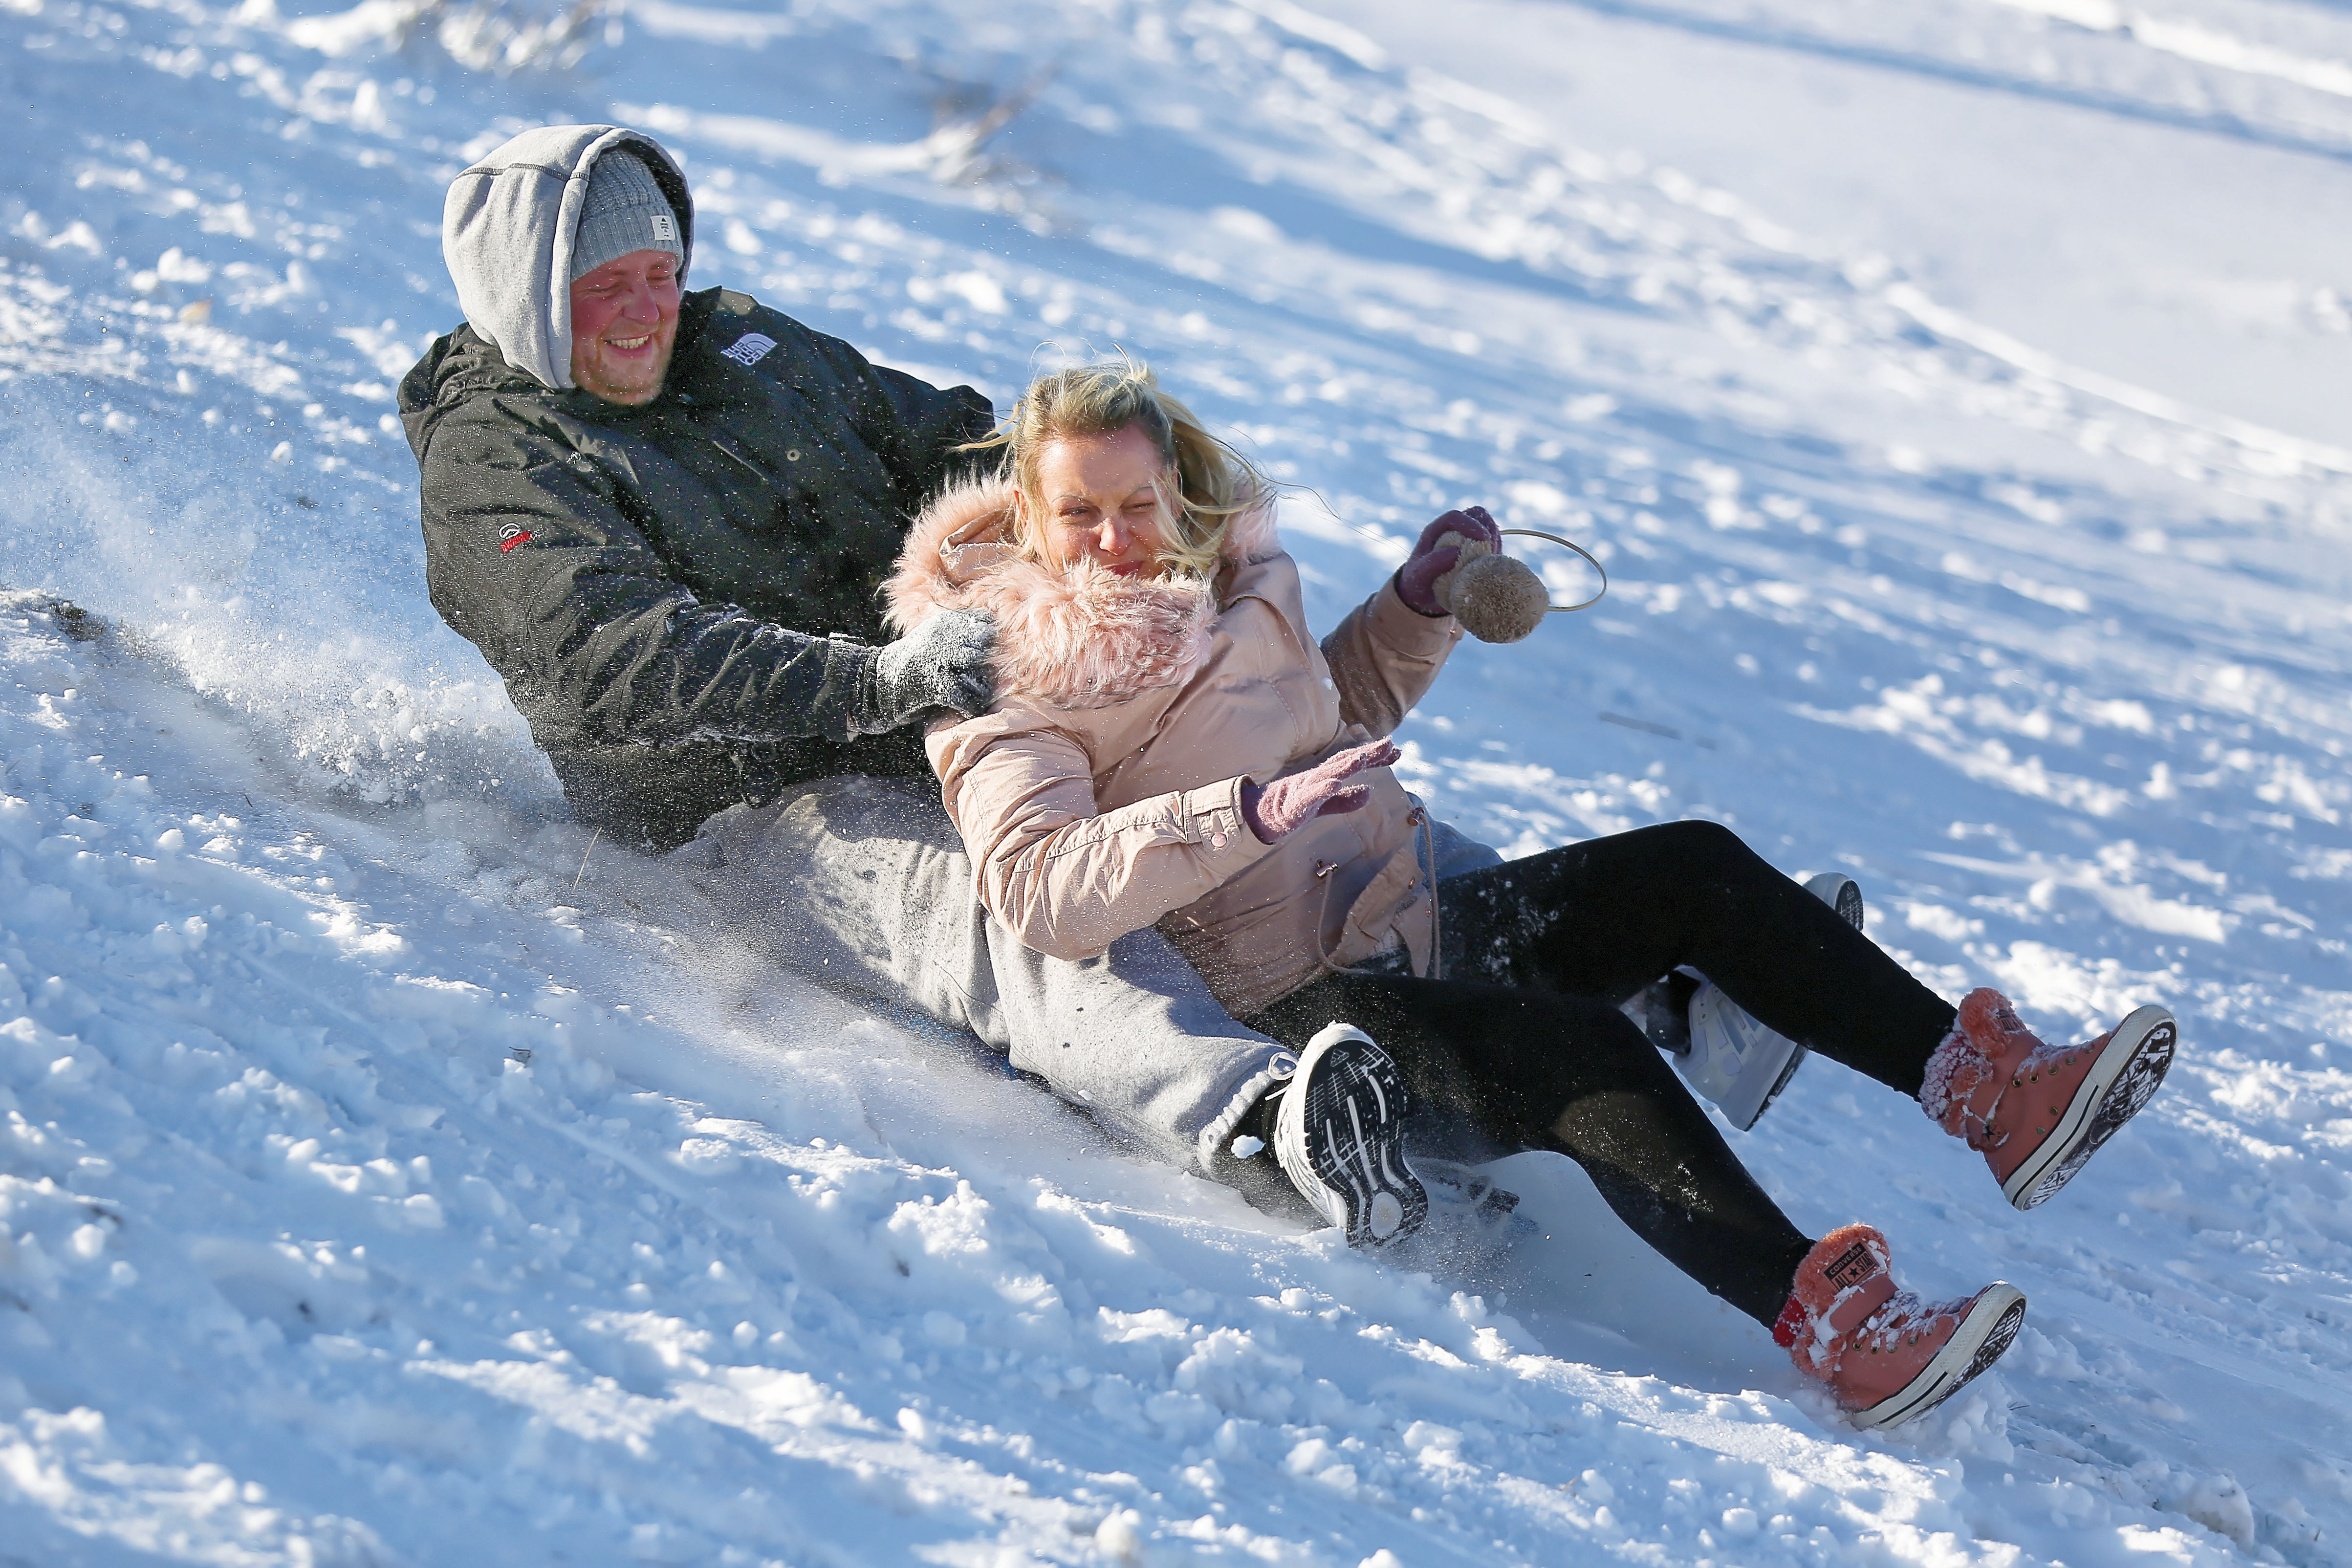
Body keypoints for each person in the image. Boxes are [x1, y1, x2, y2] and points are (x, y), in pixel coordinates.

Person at [887, 356, 2182, 1430]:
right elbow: (1041, 888)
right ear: (1025, 517)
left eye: (1136, 503)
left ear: (1175, 489)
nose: (1114, 539)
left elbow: (1331, 715)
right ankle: (1833, 1324)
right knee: (1575, 1048)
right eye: (1079, 514)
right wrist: (1241, 816)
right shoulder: (998, 677)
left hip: (1412, 921)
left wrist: (1414, 604)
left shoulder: (1228, 582)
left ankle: (1988, 1091)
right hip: (1305, 1009)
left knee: (1690, 864)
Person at [401, 125, 1304, 1175]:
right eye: (610, 285)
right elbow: (618, 649)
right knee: (976, 902)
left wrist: (1116, 502)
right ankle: (1252, 1114)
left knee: (1215, 768)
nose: (650, 310)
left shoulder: (744, 346)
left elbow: (943, 442)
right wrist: (873, 682)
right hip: (749, 793)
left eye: (663, 272)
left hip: (932, 700)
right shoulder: (494, 463)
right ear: (525, 292)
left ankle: (1440, 988)